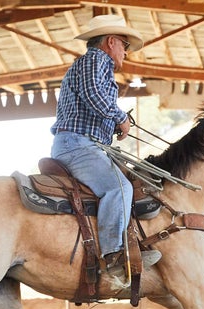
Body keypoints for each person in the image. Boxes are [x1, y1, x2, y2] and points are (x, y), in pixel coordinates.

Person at [50, 14, 161, 276]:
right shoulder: (96, 60)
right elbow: (93, 95)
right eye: (125, 45)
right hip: (78, 146)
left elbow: (89, 104)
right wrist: (121, 118)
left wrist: (111, 125)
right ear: (111, 41)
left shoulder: (90, 64)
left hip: (79, 142)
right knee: (120, 188)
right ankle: (113, 255)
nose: (126, 51)